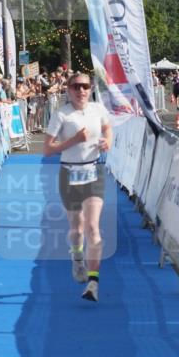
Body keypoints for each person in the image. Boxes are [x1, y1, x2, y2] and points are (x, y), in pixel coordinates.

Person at [43, 73, 112, 303]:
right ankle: (77, 258)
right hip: (69, 173)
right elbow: (47, 149)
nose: (81, 91)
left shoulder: (97, 109)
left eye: (85, 86)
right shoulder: (61, 114)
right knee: (77, 228)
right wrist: (74, 140)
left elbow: (107, 127)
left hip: (93, 171)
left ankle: (93, 282)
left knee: (93, 227)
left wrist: (107, 142)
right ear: (68, 89)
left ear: (91, 88)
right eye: (76, 87)